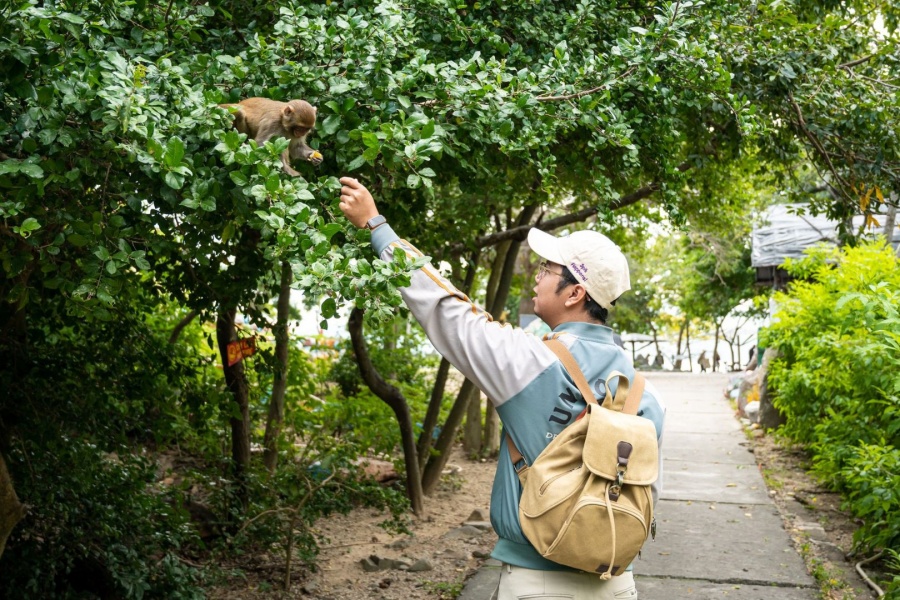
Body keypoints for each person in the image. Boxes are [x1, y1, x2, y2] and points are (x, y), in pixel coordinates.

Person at [338, 177, 666, 600]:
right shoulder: (647, 395)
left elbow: (449, 313)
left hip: (538, 584)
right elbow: (643, 496)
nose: (538, 276)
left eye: (548, 270)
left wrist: (376, 227)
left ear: (575, 292)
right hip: (618, 585)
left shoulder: (531, 362)